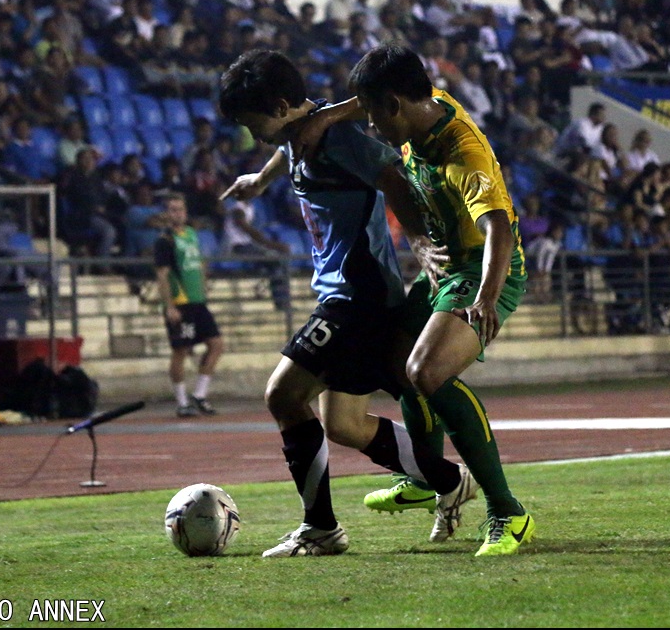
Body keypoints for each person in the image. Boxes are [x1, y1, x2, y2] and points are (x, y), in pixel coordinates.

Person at [218, 49, 476, 558]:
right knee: (344, 425)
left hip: (358, 296)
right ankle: (449, 479)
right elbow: (288, 147)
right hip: (347, 293)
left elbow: (392, 176)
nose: (254, 135)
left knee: (283, 396)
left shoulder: (337, 138)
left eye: (253, 124)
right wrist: (261, 180)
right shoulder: (302, 131)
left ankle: (321, 528)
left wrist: (418, 240)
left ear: (283, 106)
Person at [299, 43, 534, 556]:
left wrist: (486, 299)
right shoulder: (422, 104)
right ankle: (426, 477)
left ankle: (507, 510)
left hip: (482, 269)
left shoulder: (462, 152)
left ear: (394, 105)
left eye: (373, 114)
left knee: (426, 371)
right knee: (396, 359)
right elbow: (366, 101)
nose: (370, 125)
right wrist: (328, 116)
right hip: (446, 267)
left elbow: (498, 228)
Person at [154, 192, 224, 418]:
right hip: (181, 303)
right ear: (167, 214)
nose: (178, 214)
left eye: (181, 209)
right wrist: (169, 306)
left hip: (198, 301)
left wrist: (203, 285)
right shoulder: (165, 241)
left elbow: (198, 263)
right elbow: (162, 275)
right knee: (180, 350)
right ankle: (182, 401)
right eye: (173, 210)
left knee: (216, 344)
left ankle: (200, 395)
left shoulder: (192, 234)